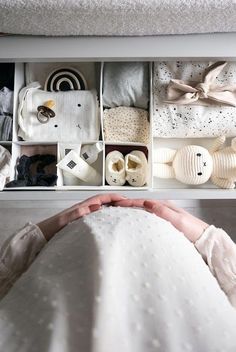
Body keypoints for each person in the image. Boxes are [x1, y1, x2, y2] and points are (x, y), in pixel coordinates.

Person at [0, 194, 236, 352]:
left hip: (79, 234)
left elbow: (3, 283)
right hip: (160, 234)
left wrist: (53, 225)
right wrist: (206, 236)